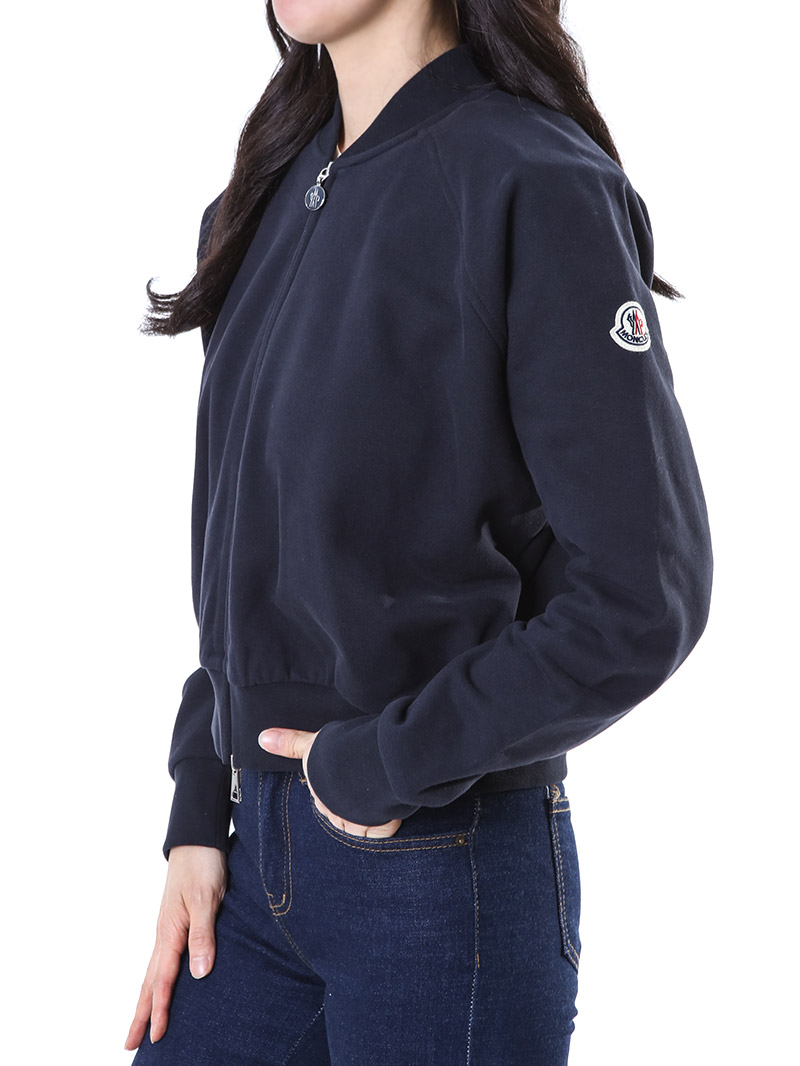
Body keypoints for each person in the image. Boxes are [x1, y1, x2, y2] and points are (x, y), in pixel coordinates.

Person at [125, 1, 713, 1062]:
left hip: (442, 877)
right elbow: (248, 555)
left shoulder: (532, 181)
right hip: (250, 875)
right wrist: (199, 807)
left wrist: (389, 760)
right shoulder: (267, 191)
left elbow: (640, 596)